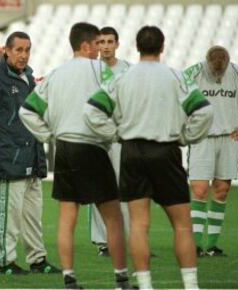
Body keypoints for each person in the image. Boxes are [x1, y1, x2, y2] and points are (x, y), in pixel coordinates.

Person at [83, 26, 214, 290]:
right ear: (162, 47)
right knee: (182, 224)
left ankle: (145, 285)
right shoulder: (176, 76)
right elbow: (204, 112)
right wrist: (186, 137)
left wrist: (116, 133)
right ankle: (191, 286)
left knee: (139, 224)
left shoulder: (123, 77)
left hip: (132, 151)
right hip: (165, 151)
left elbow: (92, 112)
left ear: (136, 46)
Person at [19, 22, 133, 290]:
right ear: (86, 45)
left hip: (64, 148)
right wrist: (116, 132)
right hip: (91, 146)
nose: (99, 50)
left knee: (66, 217)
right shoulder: (101, 71)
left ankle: (69, 279)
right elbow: (119, 101)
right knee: (113, 216)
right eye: (96, 44)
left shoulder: (55, 74)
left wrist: (48, 135)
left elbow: (26, 111)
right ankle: (122, 279)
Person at [0, 31, 60, 275]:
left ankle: (38, 259)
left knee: (33, 217)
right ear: (7, 51)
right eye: (18, 50)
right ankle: (5, 261)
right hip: (8, 157)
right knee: (6, 216)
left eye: (27, 50)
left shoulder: (28, 78)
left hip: (32, 155)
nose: (23, 55)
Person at [185, 46, 238, 257]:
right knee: (199, 189)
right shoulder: (193, 73)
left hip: (228, 138)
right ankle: (196, 244)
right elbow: (177, 96)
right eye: (215, 69)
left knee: (221, 190)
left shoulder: (235, 73)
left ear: (227, 62)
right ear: (207, 61)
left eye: (222, 69)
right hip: (202, 138)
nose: (218, 73)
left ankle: (212, 245)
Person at [89, 26, 131, 257]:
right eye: (101, 41)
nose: (105, 46)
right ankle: (102, 240)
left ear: (117, 44)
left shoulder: (128, 70)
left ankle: (124, 236)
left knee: (125, 186)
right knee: (100, 186)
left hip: (122, 135)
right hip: (96, 135)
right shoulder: (90, 69)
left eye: (109, 41)